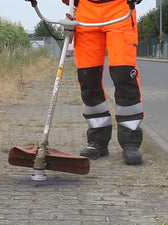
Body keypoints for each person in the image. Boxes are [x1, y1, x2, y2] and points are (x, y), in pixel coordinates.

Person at [63, 0, 144, 165]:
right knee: (88, 78)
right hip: (85, 10)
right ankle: (97, 140)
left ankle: (130, 142)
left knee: (124, 75)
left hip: (120, 8)